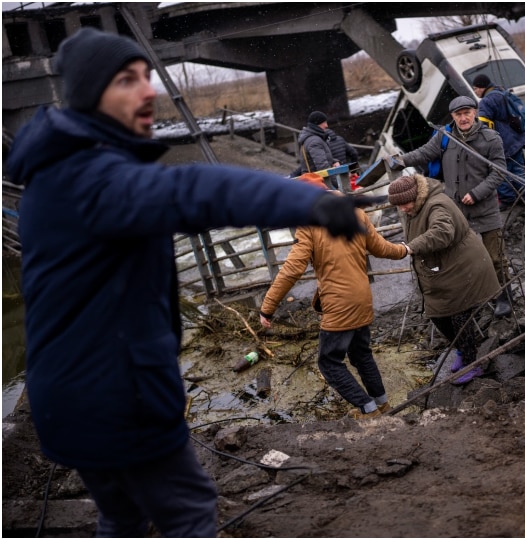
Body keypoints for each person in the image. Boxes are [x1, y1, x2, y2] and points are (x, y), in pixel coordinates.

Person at [4, 28, 376, 538]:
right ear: (91, 94)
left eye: (147, 76)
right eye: (127, 80)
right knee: (189, 511)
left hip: (65, 401)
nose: (148, 90)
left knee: (122, 517)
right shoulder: (94, 178)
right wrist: (310, 203)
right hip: (117, 397)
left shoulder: (53, 173)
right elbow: (192, 189)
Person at [259, 172, 408, 418]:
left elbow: (292, 269)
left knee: (328, 362)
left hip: (340, 304)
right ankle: (383, 405)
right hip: (362, 298)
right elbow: (381, 248)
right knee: (362, 355)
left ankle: (368, 411)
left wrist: (268, 307)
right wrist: (404, 250)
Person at [385, 95, 513, 318]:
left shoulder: (491, 139)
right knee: (464, 258)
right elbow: (425, 153)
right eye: (458, 114)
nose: (463, 118)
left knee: (495, 257)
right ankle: (474, 297)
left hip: (486, 209)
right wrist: (402, 160)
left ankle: (504, 296)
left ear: (475, 113)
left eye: (467, 113)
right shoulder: (444, 136)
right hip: (457, 211)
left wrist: (477, 192)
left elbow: (499, 170)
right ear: (453, 116)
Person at [387, 173, 500, 384]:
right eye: (398, 206)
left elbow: (442, 232)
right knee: (439, 315)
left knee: (458, 314)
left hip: (465, 267)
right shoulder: (418, 206)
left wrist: (410, 247)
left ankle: (472, 363)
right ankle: (461, 351)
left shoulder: (437, 205)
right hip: (448, 268)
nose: (402, 209)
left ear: (415, 195)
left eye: (404, 204)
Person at [472, 74, 525, 211]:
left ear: (482, 87)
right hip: (515, 139)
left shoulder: (486, 102)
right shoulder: (501, 92)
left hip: (502, 142)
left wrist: (483, 142)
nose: (475, 92)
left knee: (499, 172)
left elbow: (484, 125)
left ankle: (508, 200)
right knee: (518, 170)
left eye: (475, 88)